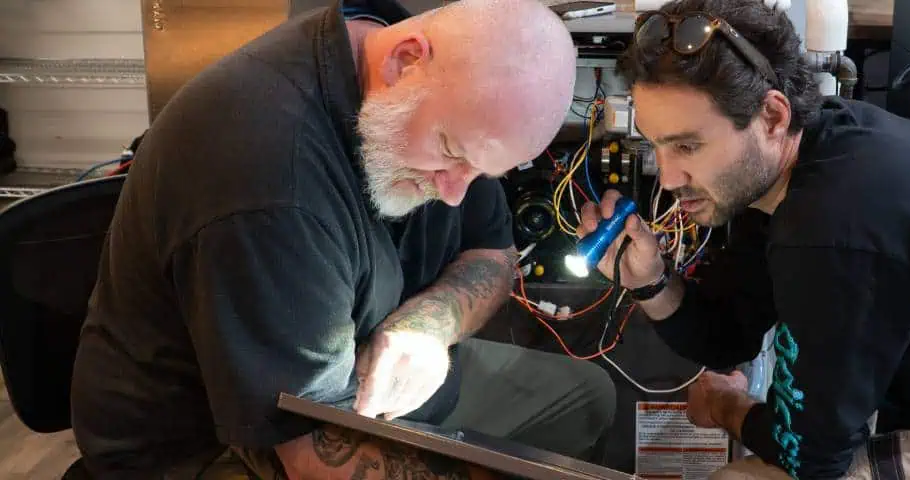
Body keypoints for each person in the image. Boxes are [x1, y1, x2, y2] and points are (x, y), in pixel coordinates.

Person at [577, 0, 910, 478]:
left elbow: (811, 458)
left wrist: (728, 409)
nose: (668, 178)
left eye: (687, 146)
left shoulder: (834, 228)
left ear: (771, 116)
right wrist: (650, 282)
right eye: (656, 146)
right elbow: (729, 334)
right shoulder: (788, 168)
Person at [69, 0, 618, 478]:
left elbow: (494, 255)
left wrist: (430, 326)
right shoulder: (269, 177)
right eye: (452, 154)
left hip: (375, 382)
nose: (455, 193)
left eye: (480, 172)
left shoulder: (444, 91)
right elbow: (313, 461)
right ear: (403, 62)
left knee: (587, 400)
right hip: (216, 444)